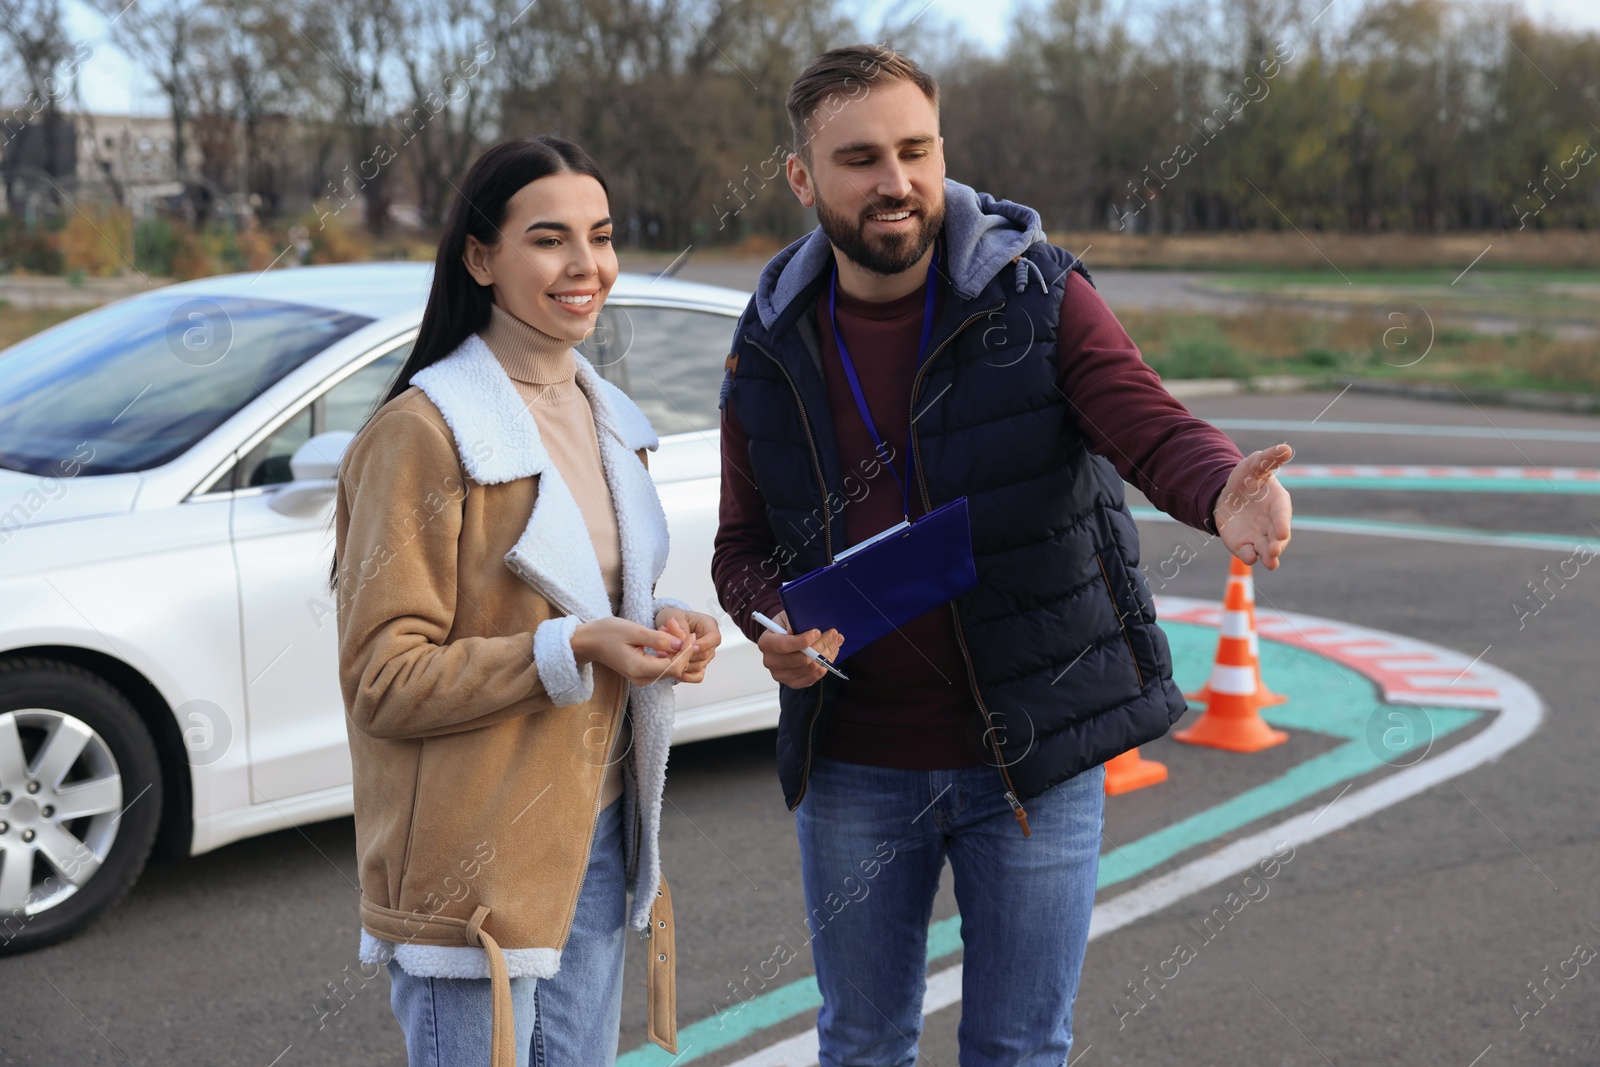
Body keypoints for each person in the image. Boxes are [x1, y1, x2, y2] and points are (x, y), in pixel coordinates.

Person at [711, 46, 1293, 1067]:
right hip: (854, 760)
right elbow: (742, 544)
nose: (894, 180)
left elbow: (1149, 424)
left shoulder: (1036, 295)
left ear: (943, 153)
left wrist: (1218, 489)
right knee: (859, 1042)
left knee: (1020, 1047)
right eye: (859, 158)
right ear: (803, 178)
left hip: (1032, 753)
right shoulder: (764, 344)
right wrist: (771, 624)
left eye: (914, 150)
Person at [332, 135, 720, 1067]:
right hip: (474, 867)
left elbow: (576, 597)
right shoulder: (424, 432)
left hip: (599, 832)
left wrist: (663, 617)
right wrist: (574, 649)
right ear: (480, 257)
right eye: (550, 240)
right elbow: (384, 678)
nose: (587, 266)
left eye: (603, 235)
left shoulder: (606, 416)